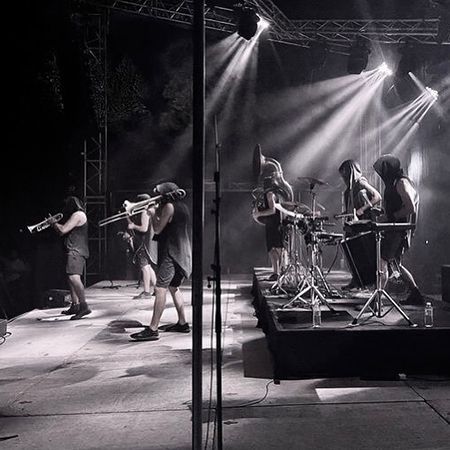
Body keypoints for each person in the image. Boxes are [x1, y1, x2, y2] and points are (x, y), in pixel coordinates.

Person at [130, 182, 191, 341]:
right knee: (173, 287)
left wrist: (151, 214)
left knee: (160, 288)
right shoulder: (182, 206)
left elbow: (157, 229)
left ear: (165, 195)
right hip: (181, 251)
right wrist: (156, 211)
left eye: (158, 194)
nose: (156, 197)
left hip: (172, 252)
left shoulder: (169, 206)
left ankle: (153, 328)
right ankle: (182, 323)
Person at [373, 154, 424, 305]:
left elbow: (410, 207)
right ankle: (416, 294)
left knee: (382, 261)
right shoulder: (395, 182)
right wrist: (383, 213)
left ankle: (376, 301)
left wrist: (389, 216)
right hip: (395, 229)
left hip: (399, 231)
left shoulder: (401, 182)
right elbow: (398, 205)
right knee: (395, 264)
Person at [338, 159, 382, 290]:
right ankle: (356, 279)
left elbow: (377, 196)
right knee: (352, 251)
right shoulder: (349, 189)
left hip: (364, 222)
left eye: (345, 174)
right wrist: (344, 214)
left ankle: (368, 282)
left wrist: (361, 210)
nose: (343, 178)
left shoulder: (361, 182)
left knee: (364, 253)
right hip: (354, 223)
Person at [52, 196, 91, 319]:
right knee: (70, 278)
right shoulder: (77, 215)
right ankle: (75, 305)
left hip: (76, 251)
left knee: (74, 278)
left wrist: (53, 223)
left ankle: (84, 306)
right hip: (73, 250)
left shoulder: (78, 215)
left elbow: (63, 230)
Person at [252, 171, 293, 282]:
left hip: (274, 224)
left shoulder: (269, 194)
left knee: (274, 249)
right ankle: (278, 272)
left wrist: (259, 214)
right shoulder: (276, 193)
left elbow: (272, 210)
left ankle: (277, 272)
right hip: (277, 223)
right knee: (276, 249)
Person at [127, 193, 157, 299]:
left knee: (144, 266)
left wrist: (133, 226)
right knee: (148, 266)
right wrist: (128, 218)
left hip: (143, 242)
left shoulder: (144, 212)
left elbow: (144, 228)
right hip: (146, 242)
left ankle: (146, 292)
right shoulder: (150, 210)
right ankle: (157, 289)